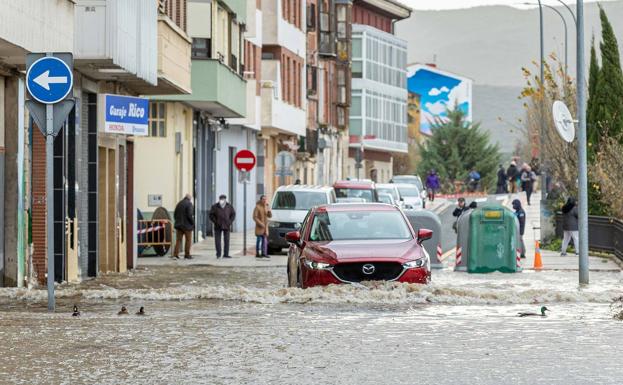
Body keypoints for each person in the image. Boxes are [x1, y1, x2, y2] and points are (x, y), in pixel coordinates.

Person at [209, 194, 236, 259]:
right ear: (219, 199)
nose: (222, 200)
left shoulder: (229, 206)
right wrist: (215, 221)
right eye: (221, 199)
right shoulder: (215, 206)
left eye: (223, 199)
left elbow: (233, 214)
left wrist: (230, 222)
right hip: (218, 226)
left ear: (225, 199)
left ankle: (226, 254)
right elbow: (211, 215)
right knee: (217, 241)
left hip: (227, 225)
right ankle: (218, 254)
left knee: (227, 240)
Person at [172, 194, 194, 260]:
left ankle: (175, 255)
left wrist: (178, 221)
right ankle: (187, 255)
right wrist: (193, 223)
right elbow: (190, 215)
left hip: (179, 225)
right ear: (189, 198)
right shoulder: (189, 204)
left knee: (178, 240)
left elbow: (175, 214)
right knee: (188, 240)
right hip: (187, 226)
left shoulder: (179, 203)